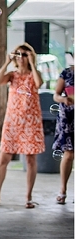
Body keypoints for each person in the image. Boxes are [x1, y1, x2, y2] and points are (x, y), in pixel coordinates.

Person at [0, 43, 45, 208]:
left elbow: (38, 83)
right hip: (13, 122)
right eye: (19, 54)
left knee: (31, 160)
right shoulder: (12, 75)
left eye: (24, 55)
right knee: (4, 159)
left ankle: (28, 197)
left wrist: (32, 62)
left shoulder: (33, 75)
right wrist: (7, 61)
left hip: (31, 122)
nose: (21, 58)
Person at [53, 64, 74, 204]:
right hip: (69, 116)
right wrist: (64, 99)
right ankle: (63, 190)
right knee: (69, 153)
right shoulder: (66, 73)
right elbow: (56, 95)